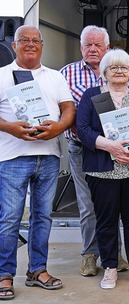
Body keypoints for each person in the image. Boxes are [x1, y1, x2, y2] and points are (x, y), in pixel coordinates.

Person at [0, 25, 74, 300]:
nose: (30, 44)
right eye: (24, 40)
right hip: (12, 157)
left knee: (43, 217)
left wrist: (59, 128)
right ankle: (4, 274)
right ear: (14, 44)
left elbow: (69, 109)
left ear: (42, 45)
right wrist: (10, 128)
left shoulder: (55, 77)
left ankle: (37, 270)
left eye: (35, 41)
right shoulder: (1, 76)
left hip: (49, 155)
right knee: (9, 219)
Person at [76, 49, 129, 289]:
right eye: (114, 67)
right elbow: (82, 128)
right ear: (104, 72)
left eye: (124, 67)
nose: (119, 71)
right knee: (106, 221)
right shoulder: (92, 96)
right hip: (102, 169)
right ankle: (110, 267)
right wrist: (108, 145)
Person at [59, 25, 129, 277]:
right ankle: (90, 255)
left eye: (98, 45)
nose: (92, 49)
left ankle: (114, 254)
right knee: (87, 204)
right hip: (80, 149)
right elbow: (61, 111)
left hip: (113, 150)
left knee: (114, 203)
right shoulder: (65, 74)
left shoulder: (116, 71)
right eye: (88, 44)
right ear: (80, 47)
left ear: (107, 47)